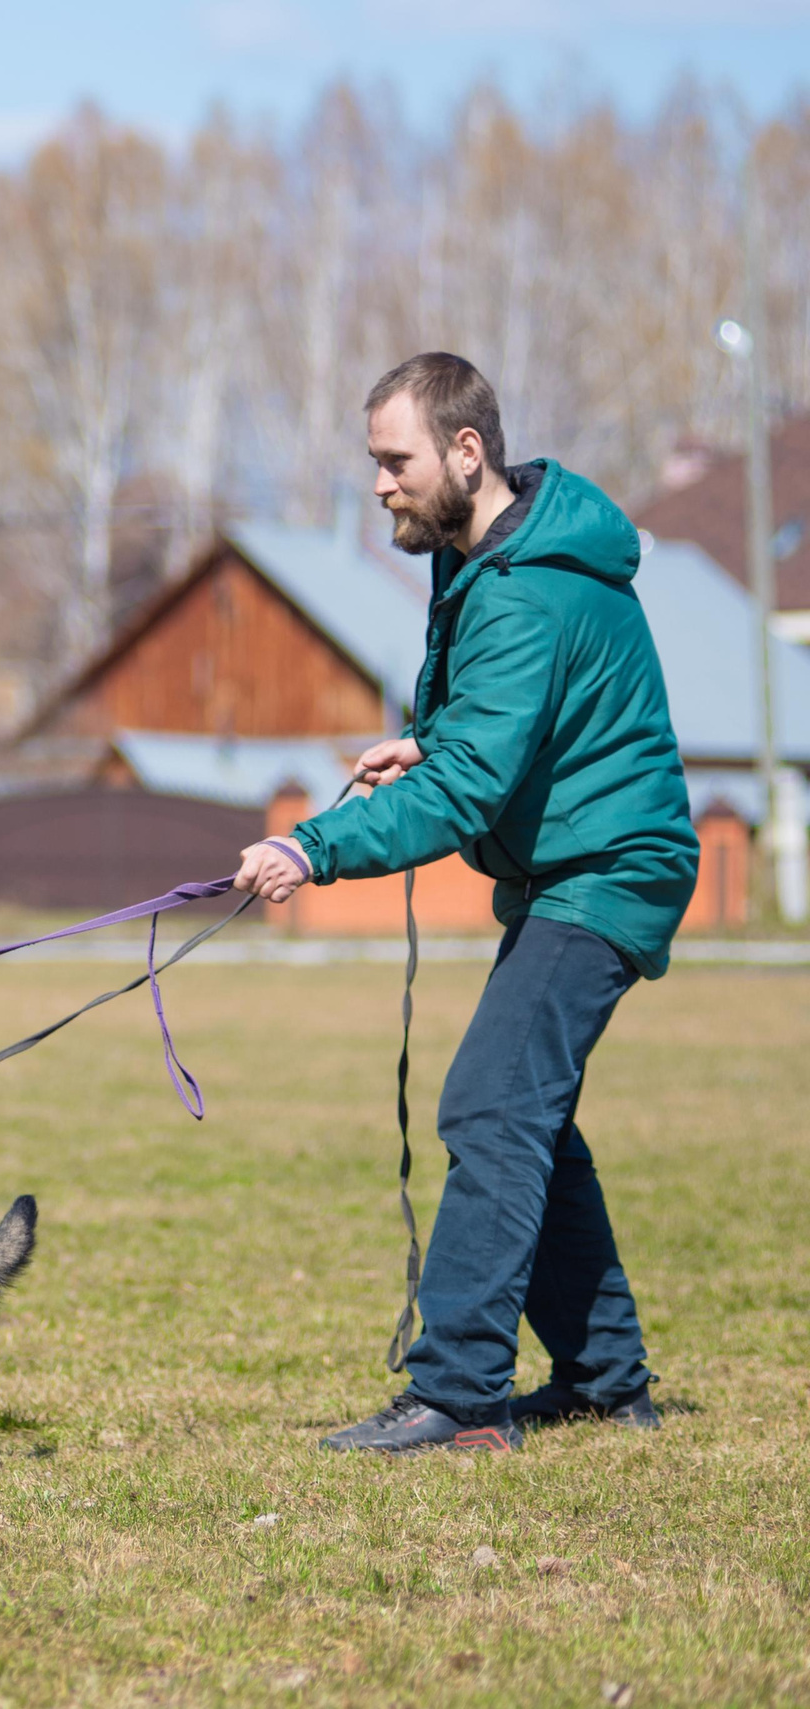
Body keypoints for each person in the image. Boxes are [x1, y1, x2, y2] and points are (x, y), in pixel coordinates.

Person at [233, 352, 697, 1454]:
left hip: (608, 867)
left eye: (393, 460)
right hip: (573, 863)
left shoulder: (524, 585)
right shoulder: (486, 558)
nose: (380, 483)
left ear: (465, 450)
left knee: (490, 1107)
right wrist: (429, 737)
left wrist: (314, 845)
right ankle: (603, 1376)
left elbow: (471, 787)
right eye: (374, 463)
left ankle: (459, 1397)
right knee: (524, 1111)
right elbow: (496, 732)